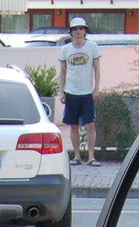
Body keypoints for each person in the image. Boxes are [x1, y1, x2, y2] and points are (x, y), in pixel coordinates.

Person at [56, 17, 101, 167]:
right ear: (71, 32)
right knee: (73, 125)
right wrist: (61, 91)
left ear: (85, 31)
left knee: (90, 125)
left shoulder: (92, 47)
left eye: (81, 29)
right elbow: (62, 71)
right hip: (71, 92)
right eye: (75, 29)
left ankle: (91, 156)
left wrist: (96, 88)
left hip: (87, 92)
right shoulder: (65, 49)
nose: (78, 32)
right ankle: (76, 156)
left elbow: (97, 69)